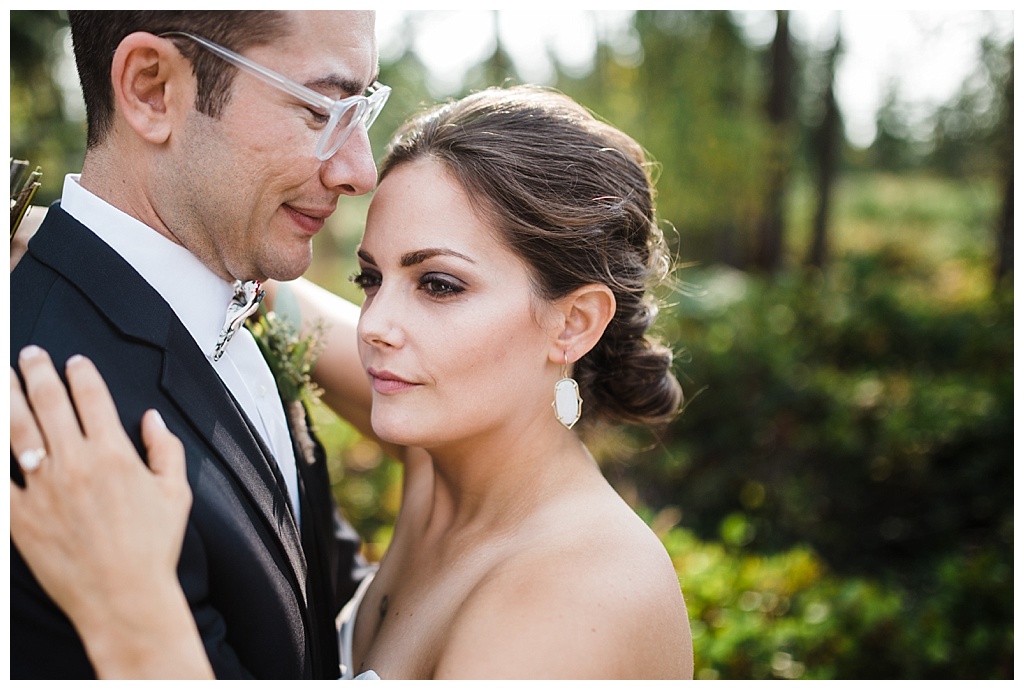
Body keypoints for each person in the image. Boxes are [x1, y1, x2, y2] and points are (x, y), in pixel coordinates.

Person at [11, 85, 695, 679]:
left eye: (439, 284)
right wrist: (48, 232)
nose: (375, 325)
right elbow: (267, 296)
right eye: (371, 278)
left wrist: (133, 617)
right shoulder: (442, 453)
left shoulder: (581, 596)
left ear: (573, 324)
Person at [9, 10, 389, 679]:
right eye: (321, 109)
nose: (361, 169)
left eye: (363, 108)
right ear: (153, 89)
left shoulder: (240, 289)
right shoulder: (43, 415)